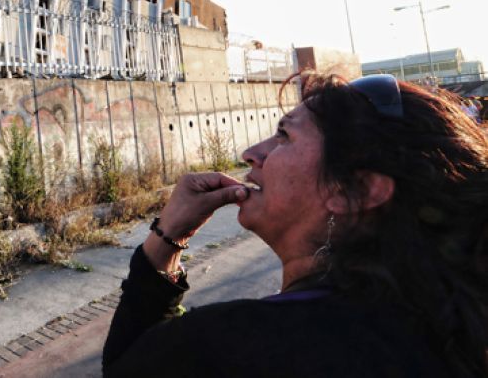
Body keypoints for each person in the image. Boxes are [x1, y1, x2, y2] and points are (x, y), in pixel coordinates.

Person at [103, 73, 488, 377]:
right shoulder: (445, 327)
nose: (251, 154)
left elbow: (126, 366)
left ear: (358, 188)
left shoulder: (229, 346)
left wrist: (165, 241)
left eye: (284, 135)